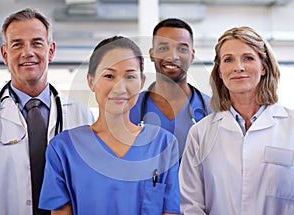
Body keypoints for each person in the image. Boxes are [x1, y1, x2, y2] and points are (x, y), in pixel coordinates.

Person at [38, 36, 180, 215]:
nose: (119, 87)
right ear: (91, 82)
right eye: (109, 76)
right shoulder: (63, 149)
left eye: (130, 76)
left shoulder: (164, 145)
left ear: (142, 82)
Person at [179, 26, 294, 214]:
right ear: (220, 72)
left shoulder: (291, 126)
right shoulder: (201, 133)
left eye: (248, 58)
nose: (238, 67)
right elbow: (190, 204)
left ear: (263, 67)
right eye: (228, 59)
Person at [0, 8, 94, 215]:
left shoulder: (81, 115)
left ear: (51, 50)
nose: (27, 52)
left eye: (37, 43)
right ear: (5, 54)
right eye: (17, 44)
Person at [130, 18, 211, 158]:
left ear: (192, 55)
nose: (173, 56)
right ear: (151, 54)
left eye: (182, 49)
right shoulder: (129, 108)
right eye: (163, 48)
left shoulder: (212, 110)